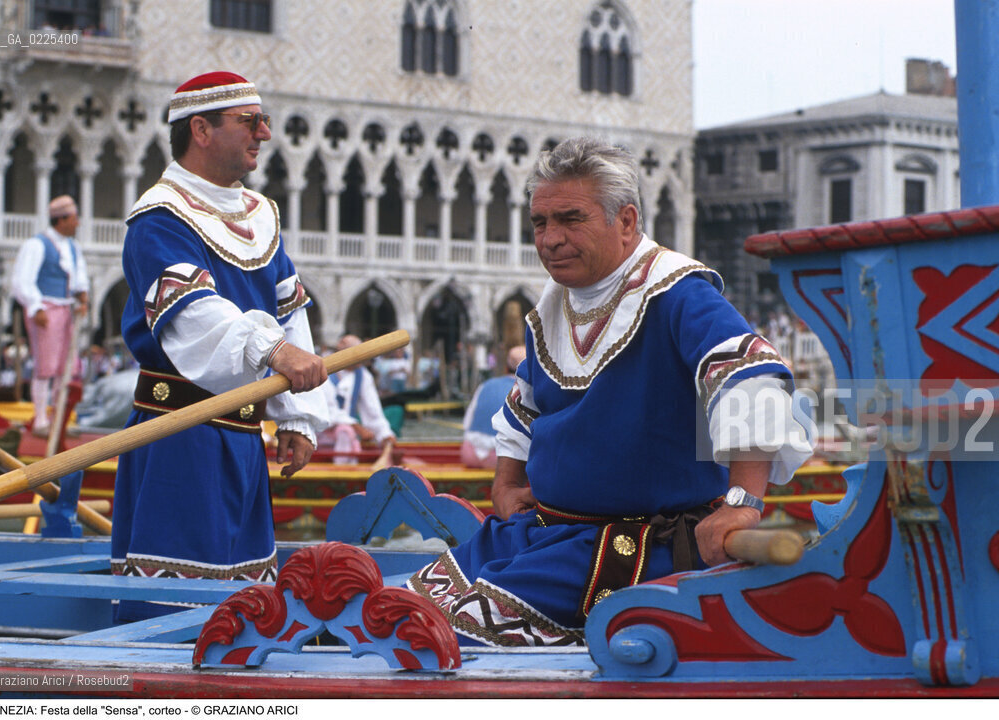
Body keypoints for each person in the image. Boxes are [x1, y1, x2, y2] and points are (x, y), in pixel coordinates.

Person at [408, 138, 811, 647]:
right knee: (404, 608)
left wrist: (741, 502)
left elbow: (751, 377)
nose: (550, 239)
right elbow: (526, 405)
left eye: (570, 219)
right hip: (542, 535)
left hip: (625, 549)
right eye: (540, 223)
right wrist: (506, 485)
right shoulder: (557, 302)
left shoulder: (677, 292)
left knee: (445, 636)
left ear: (625, 222)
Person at [111, 72, 331, 621]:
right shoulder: (160, 218)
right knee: (173, 611)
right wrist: (274, 354)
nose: (263, 133)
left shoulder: (260, 217)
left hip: (241, 440)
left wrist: (297, 417)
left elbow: (291, 309)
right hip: (177, 435)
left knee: (241, 606)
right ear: (201, 130)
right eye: (249, 122)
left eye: (264, 120)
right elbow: (194, 317)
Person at [10, 195, 90, 435]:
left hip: (66, 308)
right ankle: (41, 420)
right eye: (74, 219)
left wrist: (82, 297)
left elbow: (78, 277)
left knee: (65, 367)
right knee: (46, 367)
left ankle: (58, 419)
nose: (77, 223)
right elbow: (22, 280)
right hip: (46, 308)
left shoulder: (72, 247)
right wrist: (36, 307)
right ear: (62, 220)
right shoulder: (37, 244)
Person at [318, 334, 396, 463]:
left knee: (346, 431)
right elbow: (327, 410)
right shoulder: (322, 371)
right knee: (346, 431)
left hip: (345, 435)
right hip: (320, 431)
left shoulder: (364, 376)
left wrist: (385, 434)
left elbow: (373, 410)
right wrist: (356, 426)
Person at [459, 345, 526, 468]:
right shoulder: (526, 390)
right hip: (500, 458)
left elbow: (467, 424)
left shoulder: (485, 385)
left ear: (506, 368)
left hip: (470, 453)